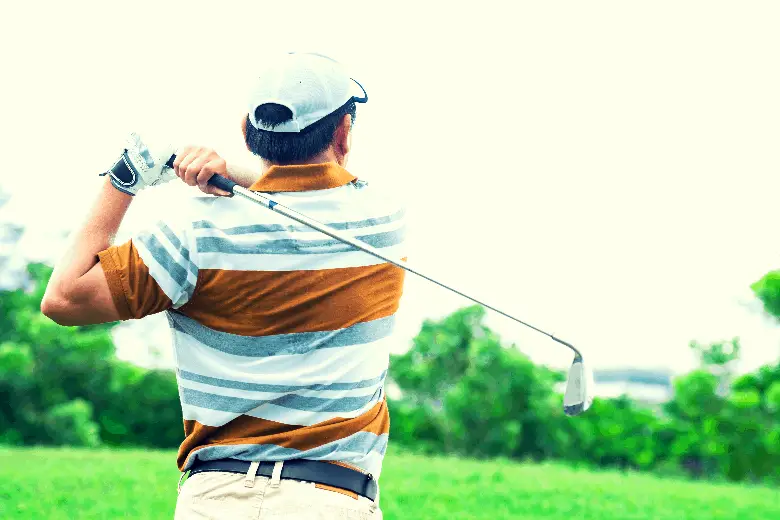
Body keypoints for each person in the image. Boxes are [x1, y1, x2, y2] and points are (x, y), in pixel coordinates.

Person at [41, 53, 406, 519]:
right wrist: (231, 173)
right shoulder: (380, 221)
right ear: (343, 134)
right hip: (330, 501)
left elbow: (63, 298)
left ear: (246, 130)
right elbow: (303, 193)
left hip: (215, 501)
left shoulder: (190, 233)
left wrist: (126, 176)